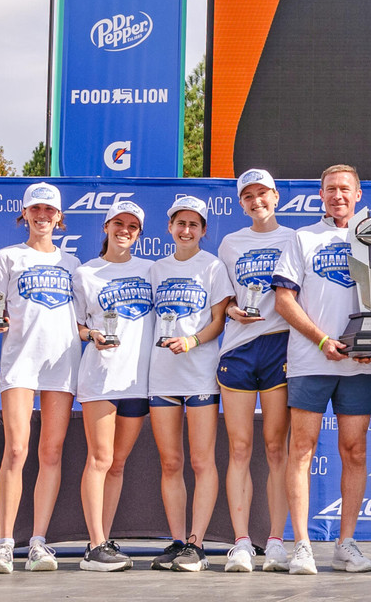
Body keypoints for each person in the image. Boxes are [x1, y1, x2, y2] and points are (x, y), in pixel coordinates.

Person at [273, 164, 371, 575]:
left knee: (354, 451)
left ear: (358, 195)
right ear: (321, 194)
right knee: (301, 450)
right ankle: (301, 544)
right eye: (330, 189)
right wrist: (321, 339)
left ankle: (346, 543)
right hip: (310, 360)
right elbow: (284, 299)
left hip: (360, 362)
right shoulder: (303, 237)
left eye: (345, 189)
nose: (338, 195)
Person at [0, 182, 80, 573]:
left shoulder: (74, 264)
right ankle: (5, 543)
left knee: (51, 453)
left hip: (62, 362)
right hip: (20, 362)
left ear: (59, 218)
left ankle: (39, 542)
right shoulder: (7, 257)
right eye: (35, 210)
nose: (42, 216)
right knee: (16, 451)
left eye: (49, 211)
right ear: (24, 214)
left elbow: (81, 319)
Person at [146, 196, 233, 572]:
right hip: (161, 376)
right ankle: (178, 539)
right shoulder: (155, 270)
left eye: (194, 225)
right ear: (169, 227)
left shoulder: (213, 266)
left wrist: (192, 341)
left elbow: (218, 321)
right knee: (170, 462)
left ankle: (197, 543)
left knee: (200, 460)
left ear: (203, 231)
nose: (186, 230)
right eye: (180, 223)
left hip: (199, 373)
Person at [216, 169, 296, 572]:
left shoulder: (294, 239)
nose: (256, 200)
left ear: (276, 196)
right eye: (248, 195)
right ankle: (242, 542)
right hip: (239, 349)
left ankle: (277, 541)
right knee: (240, 448)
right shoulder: (230, 243)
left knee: (276, 447)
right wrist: (231, 309)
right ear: (241, 202)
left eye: (262, 193)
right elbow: (225, 301)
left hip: (280, 345)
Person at [73, 200, 154, 571]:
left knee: (118, 463)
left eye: (133, 226)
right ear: (106, 227)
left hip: (138, 382)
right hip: (101, 377)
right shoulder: (86, 272)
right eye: (118, 223)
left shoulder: (152, 270)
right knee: (100, 458)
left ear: (140, 233)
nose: (125, 230)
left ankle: (104, 538)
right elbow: (73, 324)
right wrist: (91, 334)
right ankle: (94, 544)